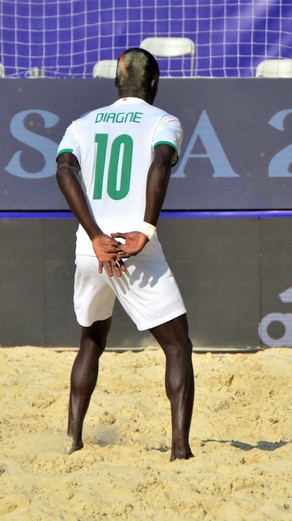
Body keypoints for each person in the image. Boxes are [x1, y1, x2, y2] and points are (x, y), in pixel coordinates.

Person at [55, 48, 195, 461]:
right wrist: (146, 229)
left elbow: (64, 170)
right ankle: (180, 449)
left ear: (117, 83)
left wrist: (95, 234)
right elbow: (161, 163)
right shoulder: (165, 121)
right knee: (177, 346)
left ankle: (73, 440)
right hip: (135, 247)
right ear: (153, 83)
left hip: (92, 248)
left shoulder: (82, 123)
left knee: (91, 341)